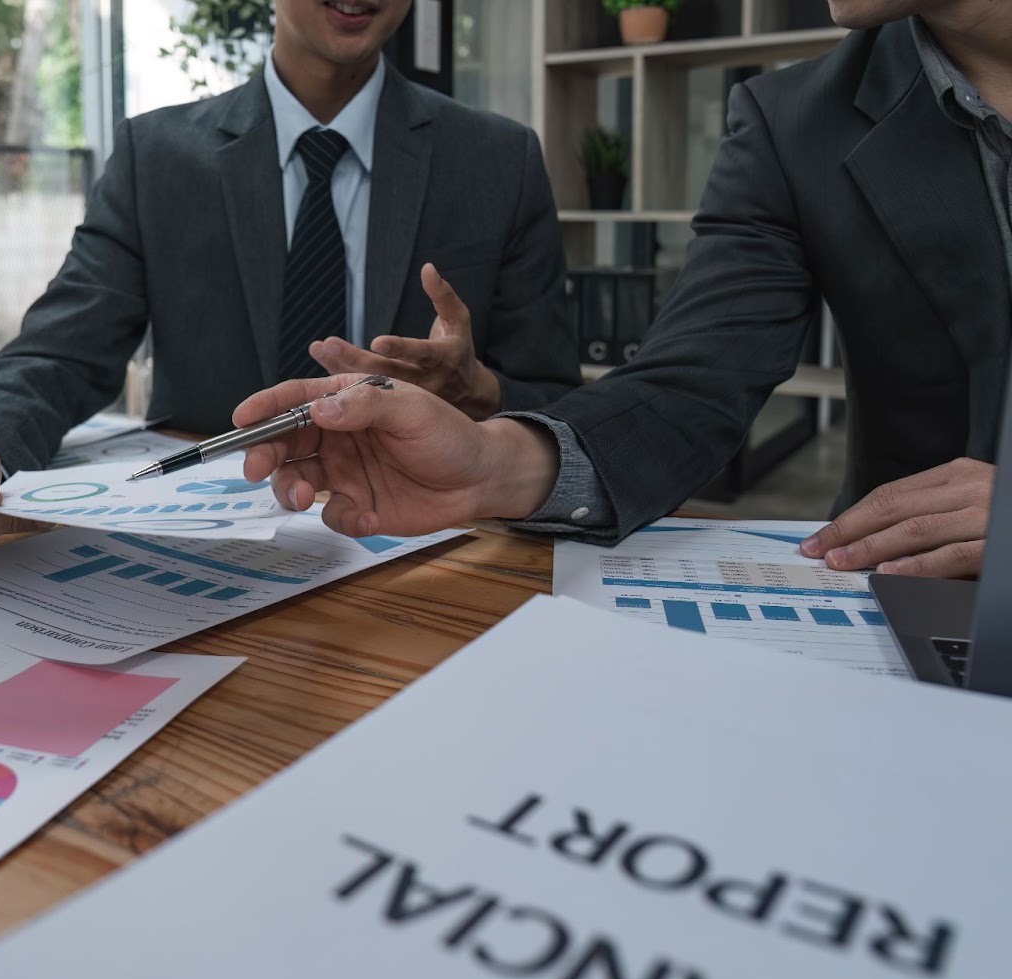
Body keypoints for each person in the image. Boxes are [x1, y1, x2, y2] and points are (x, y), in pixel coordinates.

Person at [277, 0, 1012, 579]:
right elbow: (689, 388)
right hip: (907, 603)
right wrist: (491, 462)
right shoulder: (794, 123)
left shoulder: (496, 155)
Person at [0, 0, 582, 558]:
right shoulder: (154, 158)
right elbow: (62, 351)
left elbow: (560, 403)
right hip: (197, 549)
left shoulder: (498, 159)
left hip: (427, 554)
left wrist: (483, 392)